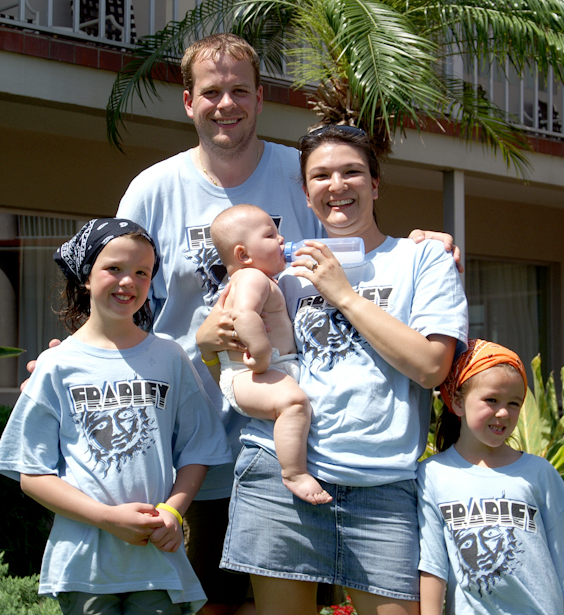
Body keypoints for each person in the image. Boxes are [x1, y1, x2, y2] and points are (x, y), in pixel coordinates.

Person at [113, 33, 461, 615]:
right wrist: (84, 350)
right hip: (197, 445)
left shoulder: (299, 174)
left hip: (323, 450)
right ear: (188, 101)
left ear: (260, 97)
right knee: (212, 605)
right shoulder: (154, 187)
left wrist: (425, 242)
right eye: (212, 91)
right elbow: (117, 288)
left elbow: (355, 245)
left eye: (240, 90)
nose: (227, 104)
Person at [211, 124, 469, 615]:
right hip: (279, 475)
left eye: (352, 172)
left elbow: (433, 367)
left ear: (375, 184)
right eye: (321, 175)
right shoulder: (279, 270)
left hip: (383, 484)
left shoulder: (422, 259)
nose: (337, 185)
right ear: (306, 193)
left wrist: (344, 295)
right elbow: (219, 336)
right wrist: (210, 337)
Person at [0, 218, 232, 615]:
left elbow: (199, 448)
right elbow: (31, 475)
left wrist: (174, 510)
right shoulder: (56, 365)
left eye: (142, 272)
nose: (128, 282)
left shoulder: (169, 356)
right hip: (83, 566)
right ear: (86, 275)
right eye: (114, 268)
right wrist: (107, 518)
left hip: (157, 558)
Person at [417, 339, 564, 615]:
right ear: (458, 402)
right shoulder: (433, 475)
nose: (503, 412)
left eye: (514, 403)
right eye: (491, 400)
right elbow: (433, 567)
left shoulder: (539, 473)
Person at [207, 204, 332, 505]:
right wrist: (261, 353)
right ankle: (293, 473)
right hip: (249, 374)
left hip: (266, 370)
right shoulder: (252, 278)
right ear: (243, 255)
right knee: (294, 402)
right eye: (270, 235)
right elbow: (244, 314)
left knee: (296, 402)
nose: (282, 240)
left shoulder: (262, 279)